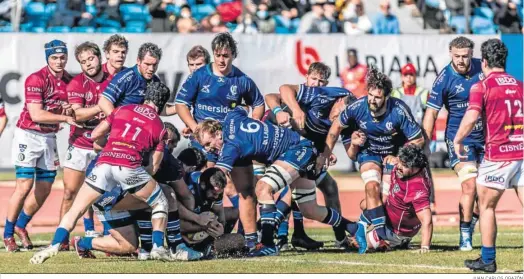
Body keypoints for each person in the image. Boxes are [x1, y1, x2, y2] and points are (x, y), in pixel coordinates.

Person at [29, 81, 172, 264]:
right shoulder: (159, 125)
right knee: (160, 201)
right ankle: (158, 247)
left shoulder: (122, 109)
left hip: (104, 164)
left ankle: (54, 246)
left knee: (75, 210)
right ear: (161, 105)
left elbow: (96, 134)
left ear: (145, 96)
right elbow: (153, 167)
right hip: (128, 166)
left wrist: (115, 144)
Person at [195, 107, 363, 257]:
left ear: (218, 133)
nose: (209, 149)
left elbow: (218, 174)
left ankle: (268, 244)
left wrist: (202, 185)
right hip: (301, 147)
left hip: (295, 151)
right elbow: (243, 107)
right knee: (310, 210)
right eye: (205, 146)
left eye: (209, 143)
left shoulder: (230, 147)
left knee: (262, 188)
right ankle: (355, 228)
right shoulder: (232, 117)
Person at [174, 32, 265, 249]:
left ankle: (249, 239)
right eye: (217, 55)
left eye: (226, 55)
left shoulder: (242, 80)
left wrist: (251, 126)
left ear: (233, 54)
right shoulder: (199, 76)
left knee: (244, 190)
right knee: (206, 186)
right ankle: (202, 233)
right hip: (205, 143)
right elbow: (180, 104)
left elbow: (259, 104)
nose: (221, 60)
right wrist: (197, 129)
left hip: (233, 144)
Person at [319, 66, 424, 246]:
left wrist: (399, 157)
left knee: (382, 201)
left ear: (386, 97)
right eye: (370, 95)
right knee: (372, 186)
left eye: (377, 97)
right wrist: (326, 153)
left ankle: (361, 222)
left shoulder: (398, 110)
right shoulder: (358, 107)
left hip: (392, 154)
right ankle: (381, 236)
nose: (372, 100)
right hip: (369, 154)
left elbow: (419, 139)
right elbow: (335, 128)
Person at [264, 62, 356, 250]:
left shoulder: (339, 104)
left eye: (321, 81)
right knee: (290, 187)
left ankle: (334, 238)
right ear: (306, 77)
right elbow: (273, 95)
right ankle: (270, 232)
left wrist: (327, 152)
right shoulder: (312, 94)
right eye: (313, 79)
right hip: (275, 140)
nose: (316, 84)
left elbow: (333, 134)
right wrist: (284, 111)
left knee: (328, 187)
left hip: (303, 150)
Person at [454, 39, 523, 273]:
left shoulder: (482, 85)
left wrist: (457, 139)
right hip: (522, 153)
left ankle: (487, 259)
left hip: (498, 155)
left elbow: (472, 117)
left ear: (483, 62)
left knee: (486, 207)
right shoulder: (519, 84)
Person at [3, 40, 78, 252]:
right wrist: (64, 118)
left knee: (45, 188)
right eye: (54, 57)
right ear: (47, 59)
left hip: (49, 137)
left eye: (62, 57)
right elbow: (36, 114)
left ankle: (21, 226)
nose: (59, 61)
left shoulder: (70, 81)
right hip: (28, 135)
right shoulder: (36, 79)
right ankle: (8, 234)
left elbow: (72, 109)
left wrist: (70, 112)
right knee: (24, 186)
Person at [422, 36, 484, 251]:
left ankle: (470, 221)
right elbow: (431, 113)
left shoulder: (482, 67)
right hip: (459, 139)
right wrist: (425, 144)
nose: (461, 60)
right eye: (457, 56)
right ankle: (465, 235)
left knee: (486, 191)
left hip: (486, 138)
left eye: (465, 56)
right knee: (470, 185)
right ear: (450, 54)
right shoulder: (443, 79)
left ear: (472, 54)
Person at [60, 42, 111, 242]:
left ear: (99, 57)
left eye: (91, 58)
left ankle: (108, 232)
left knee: (106, 191)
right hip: (80, 142)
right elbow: (79, 115)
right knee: (70, 192)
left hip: (105, 142)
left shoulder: (112, 80)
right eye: (83, 62)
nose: (88, 64)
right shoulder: (76, 84)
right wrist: (102, 106)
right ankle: (63, 237)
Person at [81, 34, 129, 237]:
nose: (119, 56)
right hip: (88, 139)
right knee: (85, 190)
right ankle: (89, 232)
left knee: (115, 188)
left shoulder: (129, 75)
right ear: (106, 54)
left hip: (118, 140)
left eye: (123, 52)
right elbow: (79, 109)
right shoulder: (94, 74)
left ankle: (113, 233)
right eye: (115, 52)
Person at [357, 144, 433, 254]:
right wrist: (394, 158)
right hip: (389, 214)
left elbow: (427, 221)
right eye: (400, 161)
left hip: (396, 231)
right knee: (364, 204)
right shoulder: (402, 164)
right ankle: (373, 230)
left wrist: (425, 247)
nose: (399, 166)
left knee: (357, 242)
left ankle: (393, 240)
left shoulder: (417, 189)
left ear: (415, 167)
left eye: (404, 165)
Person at [98, 42, 162, 116]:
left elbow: (160, 109)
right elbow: (103, 101)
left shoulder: (156, 81)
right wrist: (119, 121)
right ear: (138, 61)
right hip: (122, 124)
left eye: (155, 65)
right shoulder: (126, 76)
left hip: (139, 124)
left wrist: (177, 107)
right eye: (147, 64)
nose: (151, 69)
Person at [164, 45, 211, 116]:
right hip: (201, 125)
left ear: (208, 64)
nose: (195, 68)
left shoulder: (217, 79)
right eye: (191, 65)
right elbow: (180, 106)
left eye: (198, 64)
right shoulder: (190, 82)